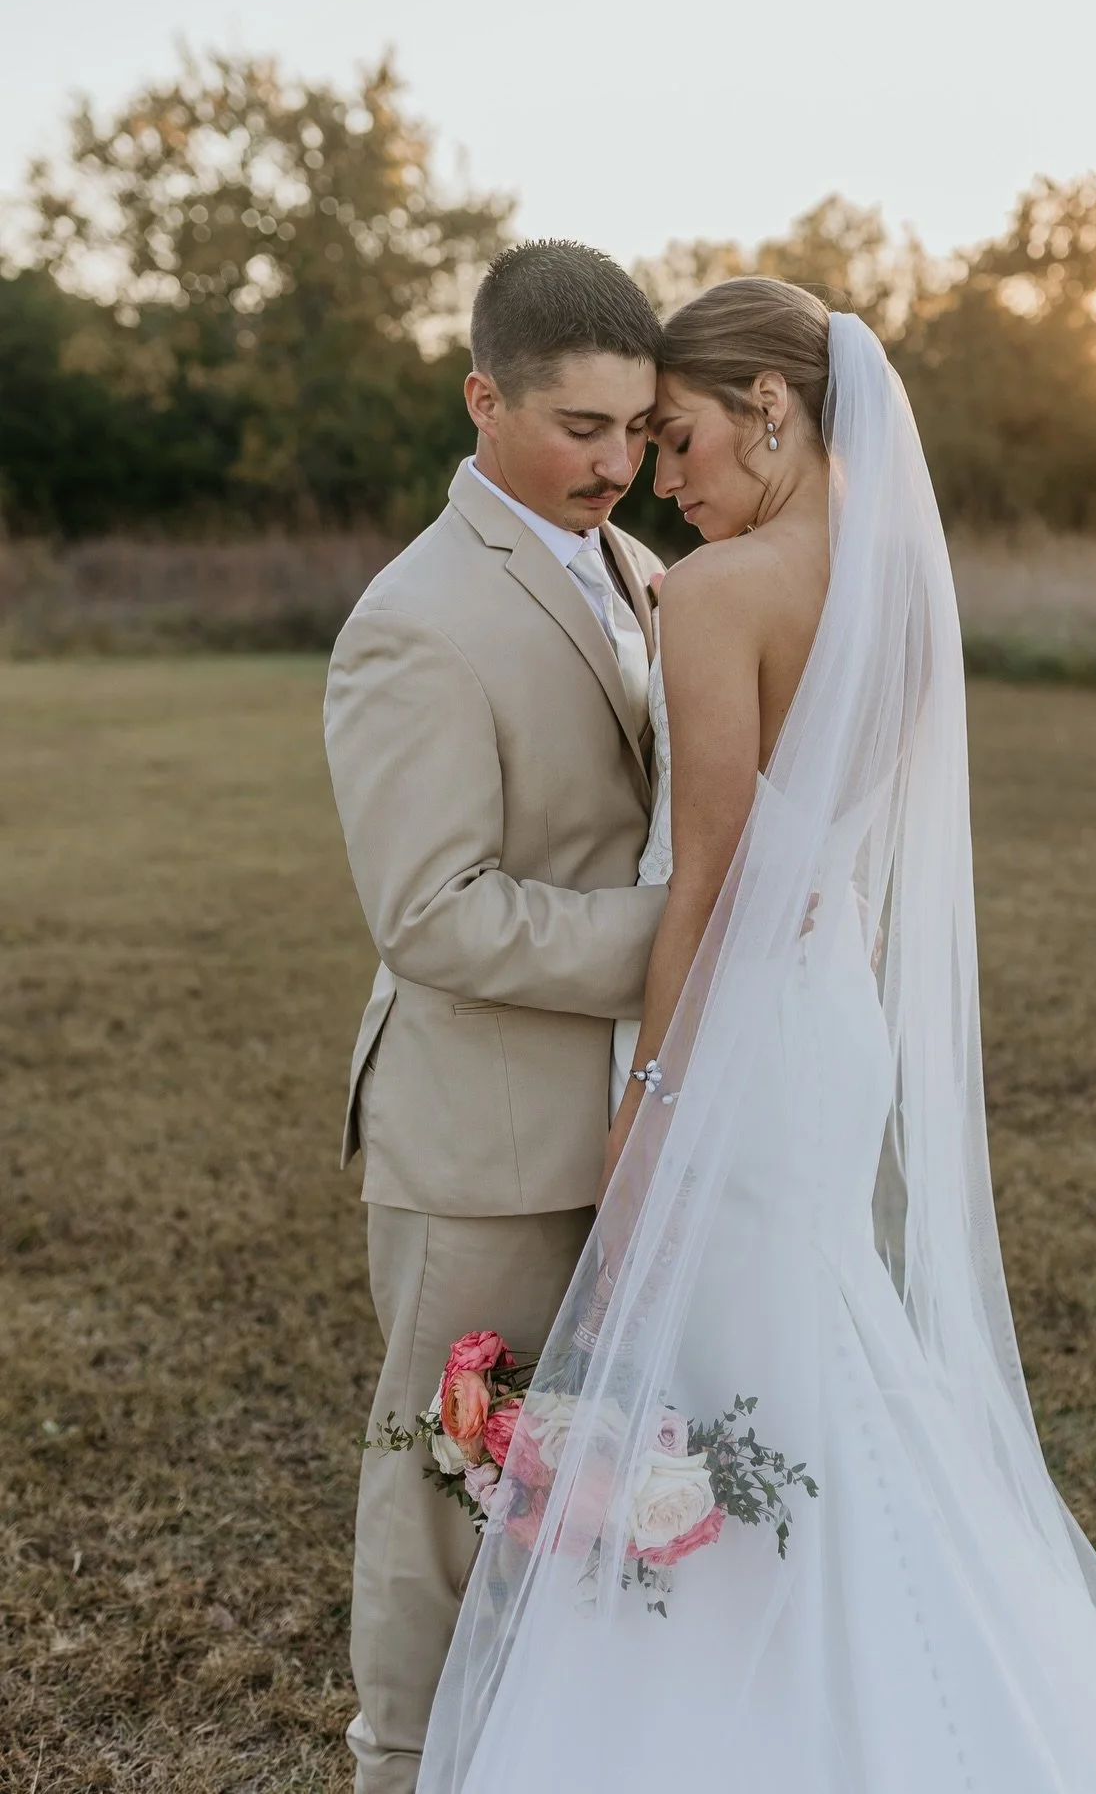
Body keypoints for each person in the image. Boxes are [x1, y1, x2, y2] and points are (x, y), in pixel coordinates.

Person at [418, 278, 1096, 1793]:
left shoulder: (719, 592)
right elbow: (830, 858)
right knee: (813, 1349)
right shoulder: (897, 578)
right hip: (829, 1022)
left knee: (743, 1359)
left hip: (744, 1038)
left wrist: (651, 1097)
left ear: (774, 406)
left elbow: (703, 882)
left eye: (681, 436)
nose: (663, 478)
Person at [324, 241, 669, 1794]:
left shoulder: (645, 570)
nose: (616, 462)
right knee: (445, 1486)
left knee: (598, 1482)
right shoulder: (419, 615)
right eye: (579, 428)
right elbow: (432, 909)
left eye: (636, 427)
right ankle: (401, 1766)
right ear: (483, 398)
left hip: (632, 1121)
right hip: (482, 1137)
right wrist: (675, 947)